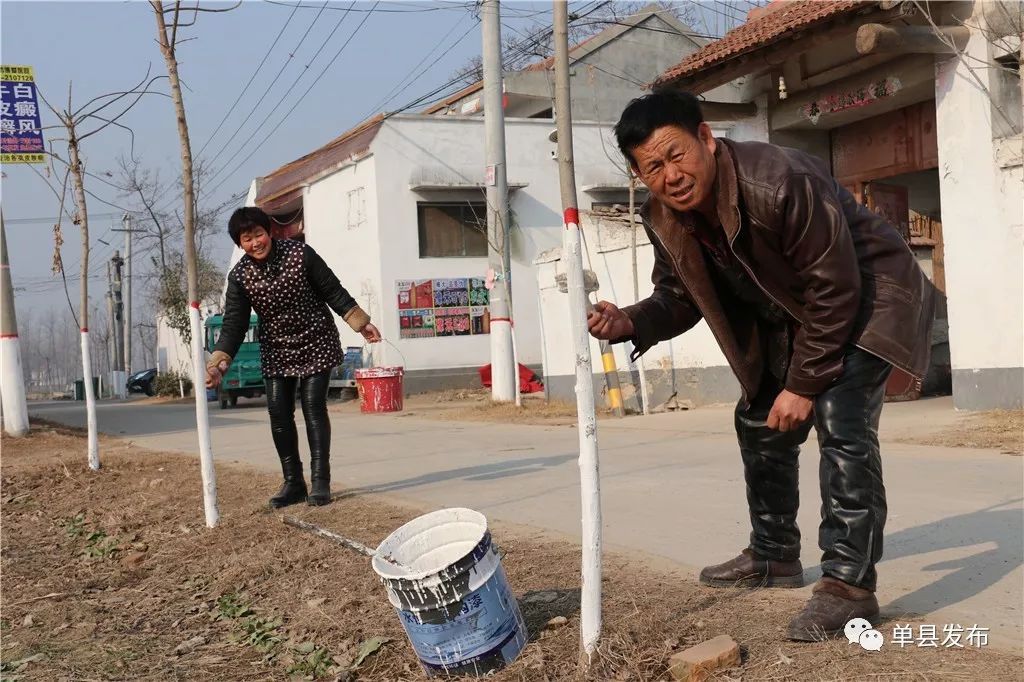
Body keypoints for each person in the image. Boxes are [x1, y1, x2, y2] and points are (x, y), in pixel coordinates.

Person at [590, 91, 934, 640]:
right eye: (652, 166)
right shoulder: (664, 215)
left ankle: (849, 588)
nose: (671, 175)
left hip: (872, 295)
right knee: (758, 416)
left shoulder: (778, 178)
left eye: (677, 155)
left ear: (705, 138)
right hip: (802, 316)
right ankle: (774, 555)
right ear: (638, 172)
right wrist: (629, 321)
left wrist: (802, 384)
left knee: (839, 415)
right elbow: (679, 294)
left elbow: (836, 285)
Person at [206, 207, 381, 508]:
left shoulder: (300, 254)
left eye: (258, 234)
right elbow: (234, 324)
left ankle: (320, 481)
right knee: (279, 414)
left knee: (313, 407)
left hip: (316, 338)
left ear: (269, 232)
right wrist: (219, 362)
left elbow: (331, 289)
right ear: (239, 243)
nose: (255, 243)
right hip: (276, 348)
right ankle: (293, 483)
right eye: (246, 239)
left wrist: (360, 322)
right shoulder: (240, 277)